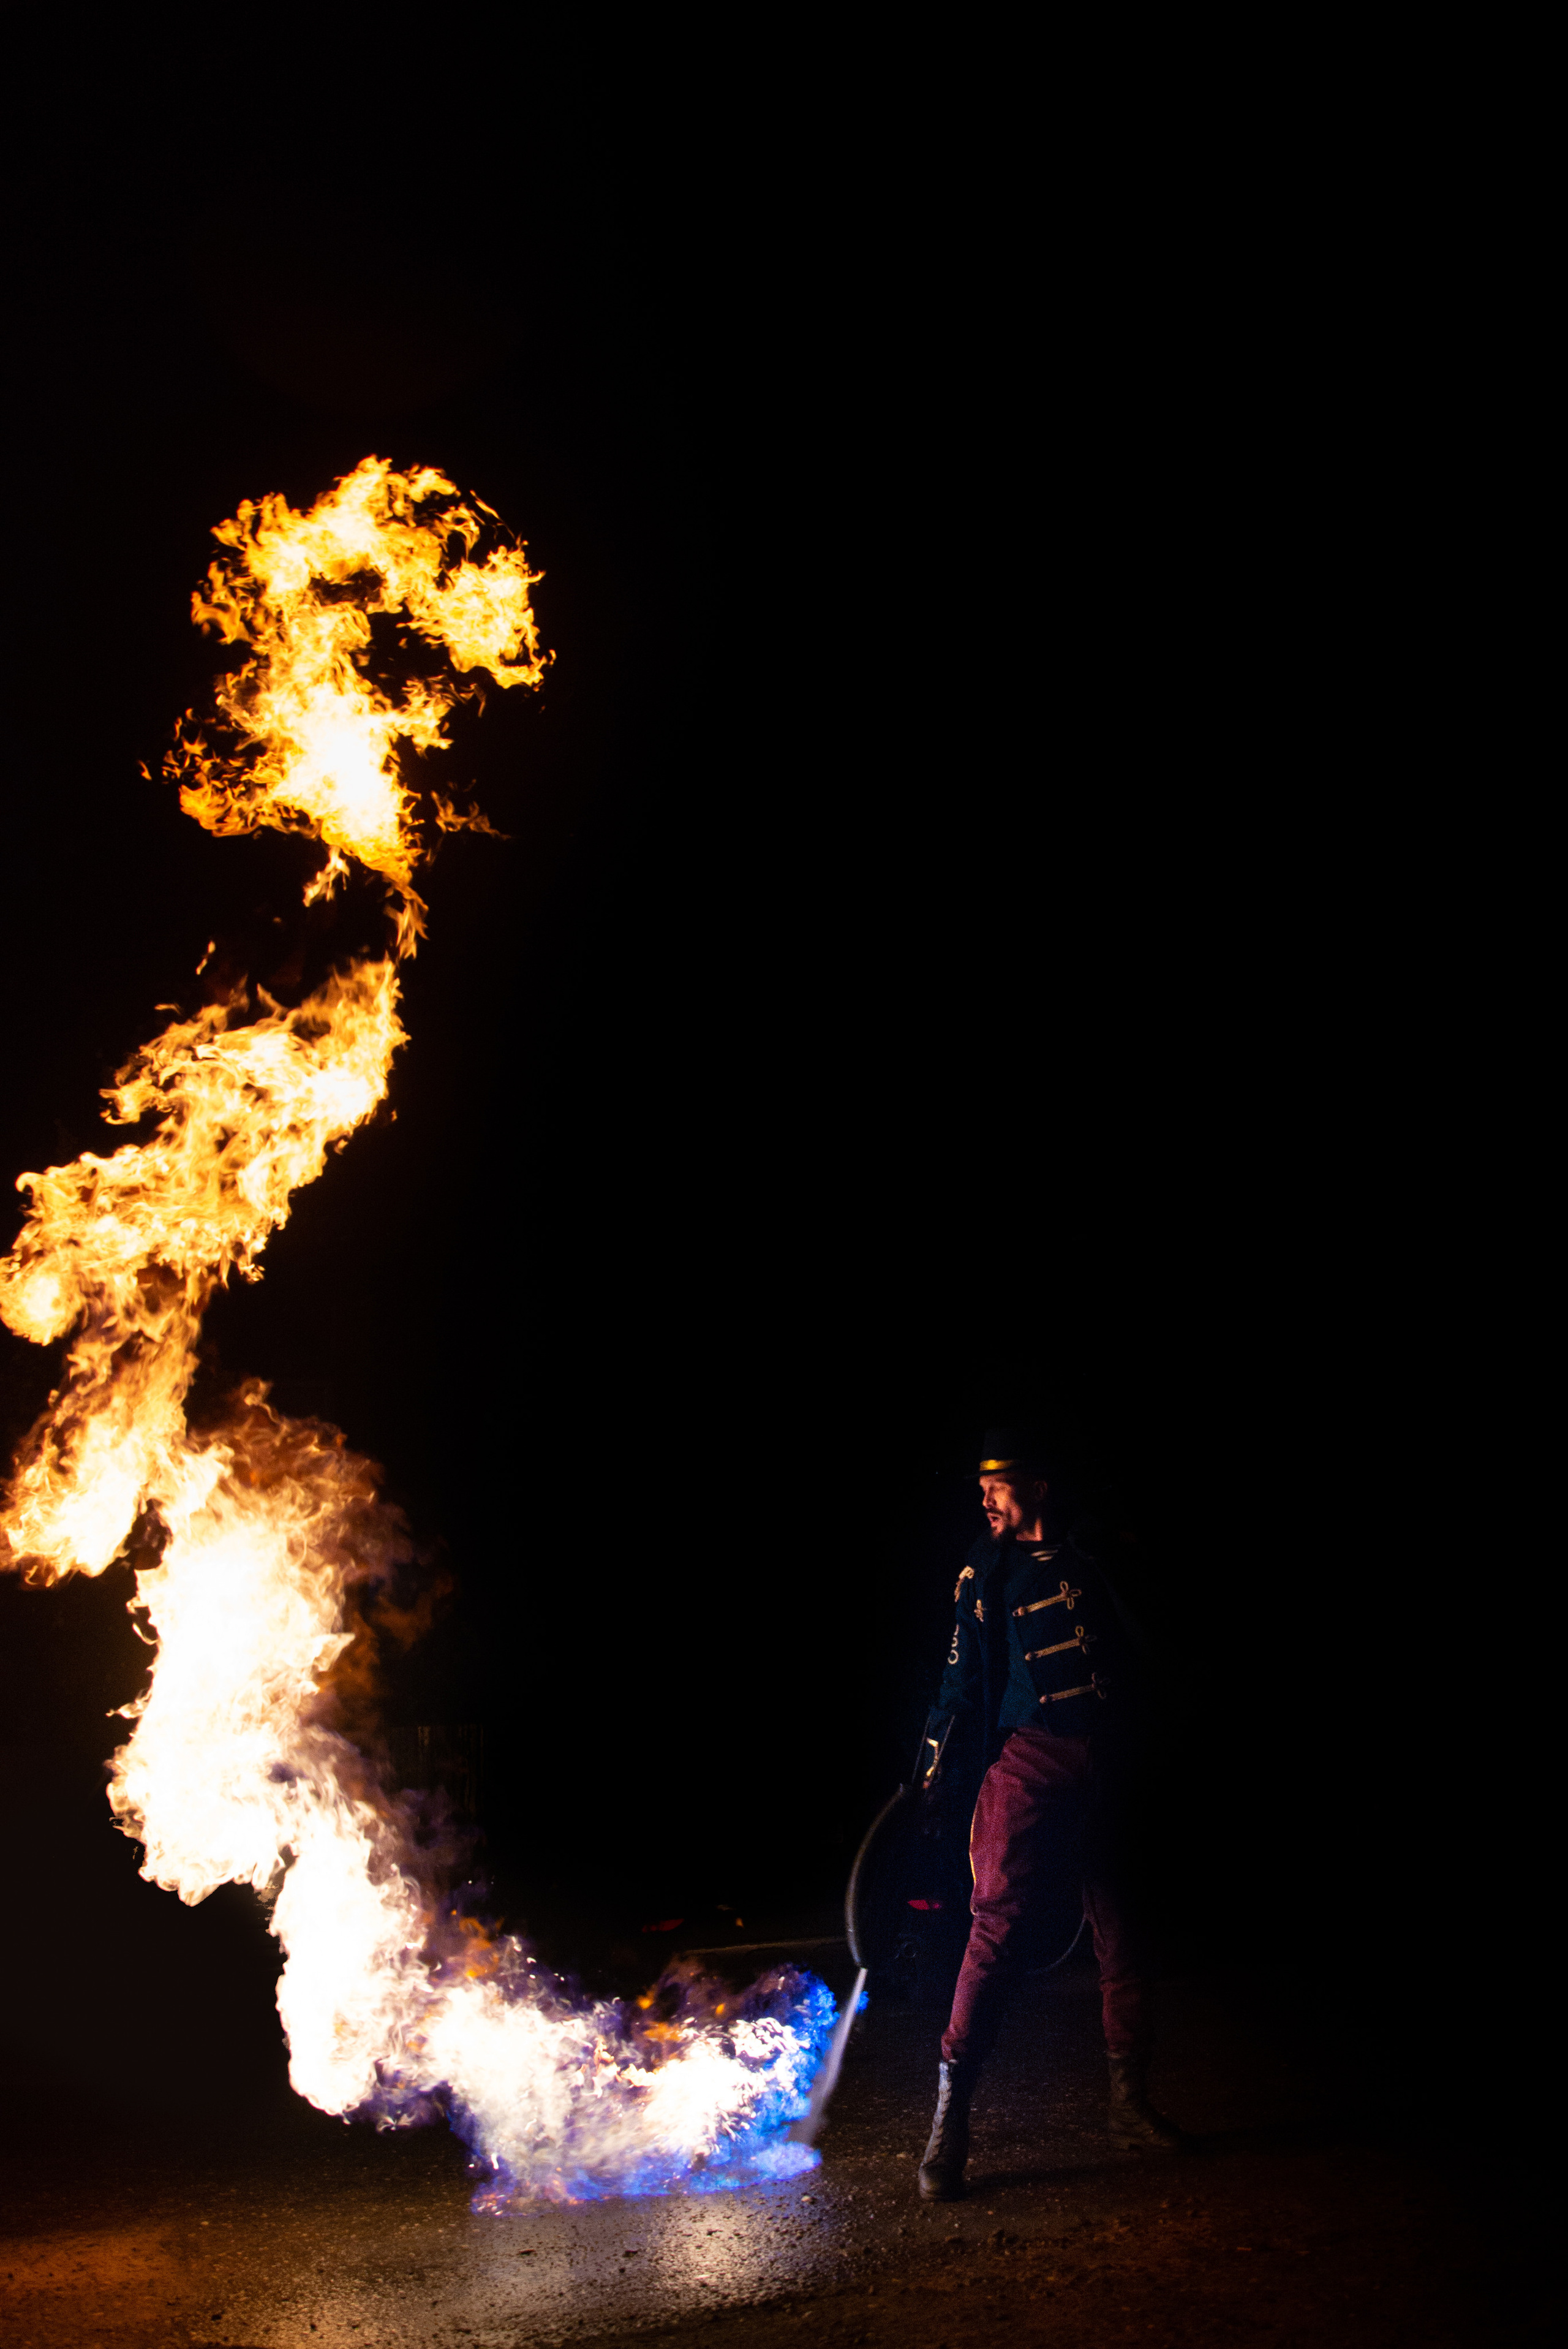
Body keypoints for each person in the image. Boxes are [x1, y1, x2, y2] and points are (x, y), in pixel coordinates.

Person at [914, 1427, 1182, 2200]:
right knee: (994, 1928)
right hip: (1031, 1760)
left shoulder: (1098, 1550)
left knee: (1124, 1933)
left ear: (1035, 1484)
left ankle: (1129, 2108)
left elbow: (1156, 1643)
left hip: (1114, 1764)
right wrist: (929, 1766)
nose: (984, 1498)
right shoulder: (984, 1572)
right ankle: (950, 2129)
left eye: (996, 1484)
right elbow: (958, 1679)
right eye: (980, 1487)